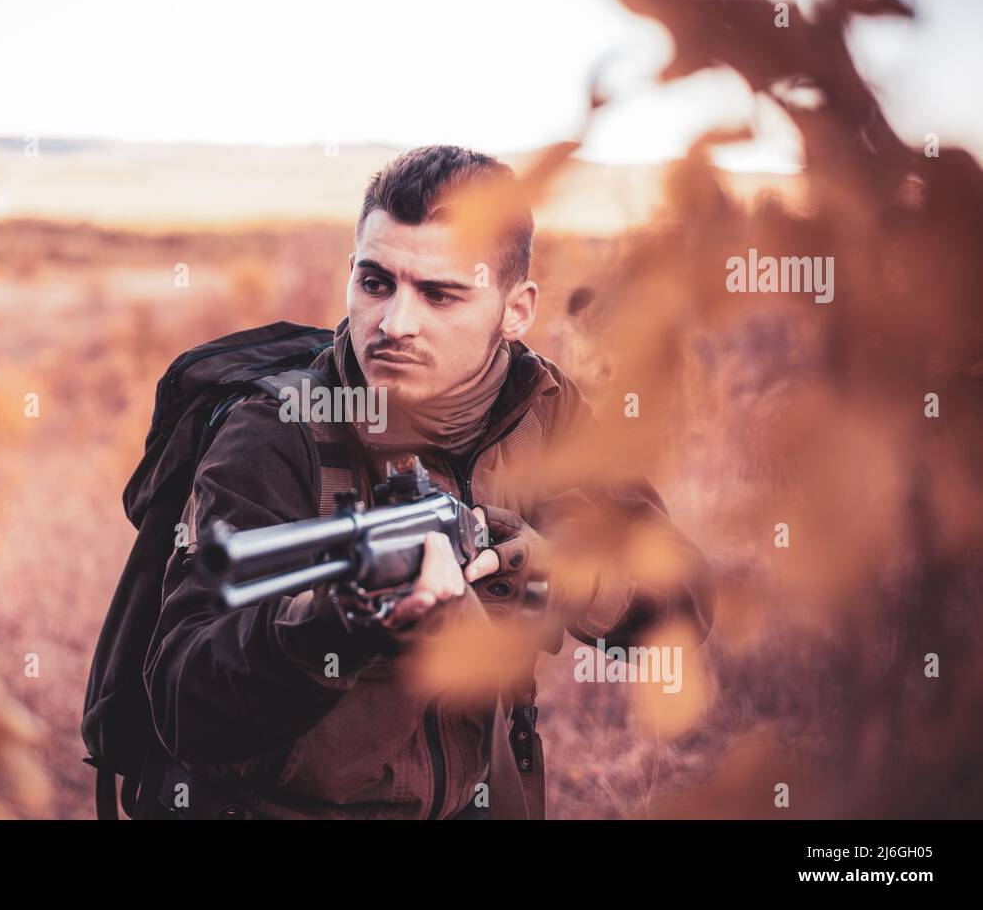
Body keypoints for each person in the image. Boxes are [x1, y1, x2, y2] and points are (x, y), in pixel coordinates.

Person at [137, 145, 715, 819]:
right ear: (351, 274)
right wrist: (336, 623)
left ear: (516, 309)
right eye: (376, 283)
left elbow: (687, 605)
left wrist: (562, 577)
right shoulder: (278, 430)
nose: (394, 323)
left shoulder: (546, 412)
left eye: (440, 293)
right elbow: (184, 702)